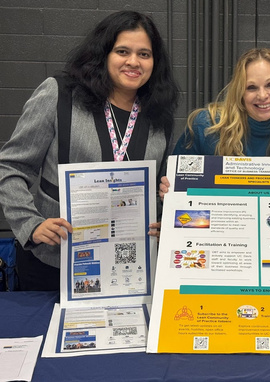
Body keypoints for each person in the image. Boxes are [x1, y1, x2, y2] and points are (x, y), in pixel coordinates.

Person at [0, 11, 179, 291]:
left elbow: (158, 188)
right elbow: (10, 168)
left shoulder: (159, 117)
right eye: (123, 51)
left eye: (144, 54)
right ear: (103, 54)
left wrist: (165, 212)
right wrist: (30, 224)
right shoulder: (59, 95)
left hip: (127, 268)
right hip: (53, 262)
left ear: (155, 63)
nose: (134, 62)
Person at [172, 47, 270, 157]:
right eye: (251, 87)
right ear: (240, 93)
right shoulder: (206, 126)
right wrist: (167, 185)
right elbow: (175, 181)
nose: (262, 95)